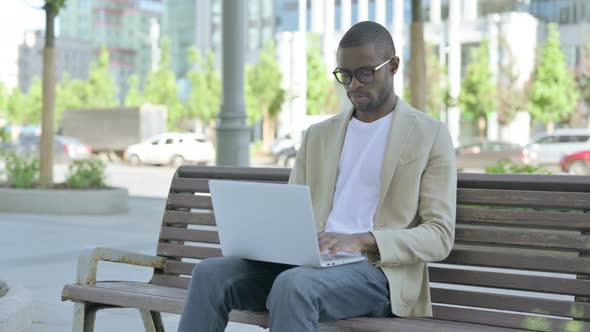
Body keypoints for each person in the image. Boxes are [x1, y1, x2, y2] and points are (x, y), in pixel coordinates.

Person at [178, 21, 456, 332]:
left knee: (295, 285)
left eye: (365, 73)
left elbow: (439, 236)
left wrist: (362, 241)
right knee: (210, 274)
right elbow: (291, 212)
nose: (353, 86)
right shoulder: (318, 136)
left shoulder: (429, 134)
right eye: (345, 75)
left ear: (392, 66)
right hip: (311, 266)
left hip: (379, 274)